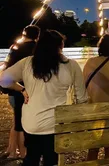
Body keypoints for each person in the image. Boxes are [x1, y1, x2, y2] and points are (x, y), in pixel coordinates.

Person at [0, 30, 88, 166]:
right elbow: (81, 98)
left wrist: (22, 89)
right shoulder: (71, 66)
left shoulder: (28, 63)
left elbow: (3, 79)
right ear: (61, 46)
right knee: (51, 159)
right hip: (55, 124)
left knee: (32, 157)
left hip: (31, 123)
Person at [3, 25, 40, 160]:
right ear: (37, 36)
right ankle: (22, 152)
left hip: (14, 88)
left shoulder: (15, 47)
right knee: (22, 123)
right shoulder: (37, 49)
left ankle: (12, 149)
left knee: (16, 120)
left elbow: (6, 67)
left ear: (24, 34)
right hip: (29, 90)